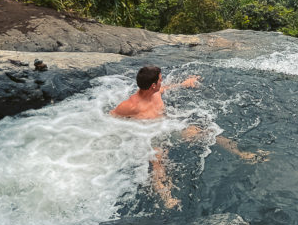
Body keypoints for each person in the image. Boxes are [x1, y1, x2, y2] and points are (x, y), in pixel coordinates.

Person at [110, 65, 268, 209]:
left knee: (207, 132)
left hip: (169, 127)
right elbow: (108, 120)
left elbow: (163, 89)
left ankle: (243, 154)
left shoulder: (155, 92)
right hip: (151, 136)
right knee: (159, 165)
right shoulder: (129, 106)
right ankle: (167, 199)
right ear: (152, 85)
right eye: (160, 79)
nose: (162, 81)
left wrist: (183, 84)